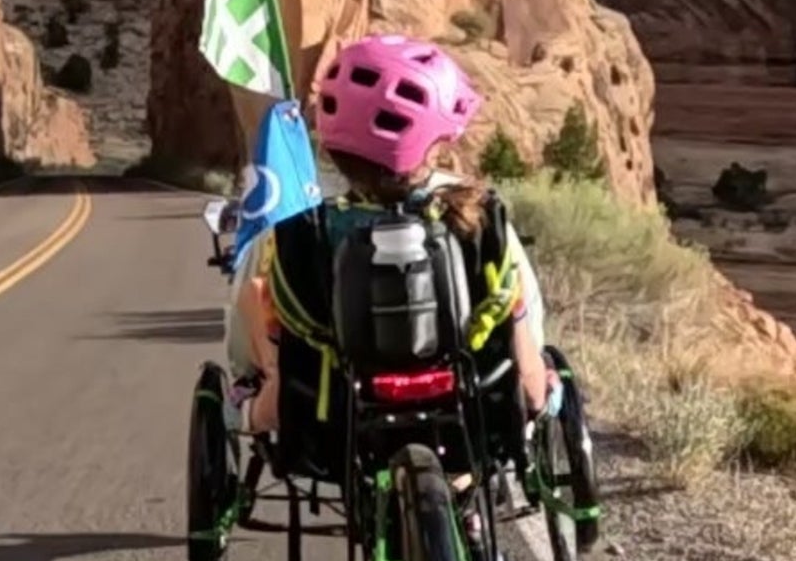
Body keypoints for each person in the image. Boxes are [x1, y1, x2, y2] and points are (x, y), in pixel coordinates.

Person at [220, 33, 555, 444]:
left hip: (335, 414)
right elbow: (513, 313)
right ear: (431, 146)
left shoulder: (304, 233)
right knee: (512, 304)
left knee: (261, 295)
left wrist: (260, 369)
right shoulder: (477, 219)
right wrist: (536, 388)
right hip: (468, 402)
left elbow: (272, 327)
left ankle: (251, 409)